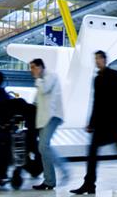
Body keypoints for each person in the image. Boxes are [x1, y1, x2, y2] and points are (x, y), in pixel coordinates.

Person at [70, 51, 117, 195]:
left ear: (105, 60)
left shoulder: (115, 75)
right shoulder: (97, 79)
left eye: (99, 58)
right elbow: (96, 102)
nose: (97, 61)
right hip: (101, 122)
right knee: (94, 151)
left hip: (113, 120)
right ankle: (89, 184)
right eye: (95, 59)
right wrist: (91, 123)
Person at [29, 58, 67, 191]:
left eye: (33, 67)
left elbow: (45, 90)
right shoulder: (41, 80)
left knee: (43, 146)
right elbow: (36, 101)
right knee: (43, 147)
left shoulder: (50, 76)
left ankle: (57, 175)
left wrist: (37, 79)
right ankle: (49, 180)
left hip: (53, 116)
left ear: (40, 67)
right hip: (45, 118)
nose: (31, 70)